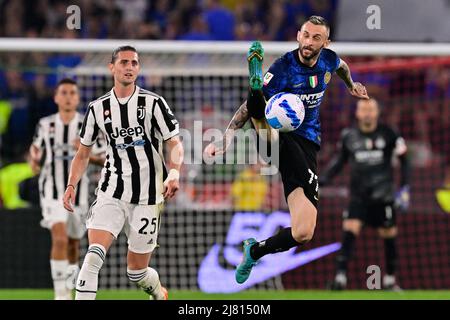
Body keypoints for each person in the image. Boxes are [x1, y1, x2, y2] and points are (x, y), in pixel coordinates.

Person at [204, 15, 369, 284]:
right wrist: (226, 137)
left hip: (306, 148)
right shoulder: (283, 68)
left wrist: (351, 86)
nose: (309, 41)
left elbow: (342, 67)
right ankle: (256, 88)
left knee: (304, 231)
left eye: (316, 38)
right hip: (276, 137)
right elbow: (244, 110)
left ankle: (254, 250)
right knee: (261, 116)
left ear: (326, 42)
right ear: (298, 36)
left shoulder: (328, 59)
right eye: (305, 35)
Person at [63, 46, 184, 300]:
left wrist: (174, 172)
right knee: (94, 254)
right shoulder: (97, 109)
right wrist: (71, 185)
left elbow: (174, 142)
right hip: (112, 191)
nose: (129, 67)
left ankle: (158, 293)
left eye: (134, 63)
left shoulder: (153, 103)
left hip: (148, 197)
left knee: (136, 272)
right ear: (112, 67)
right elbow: (83, 153)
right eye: (124, 62)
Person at [320, 98, 410, 291]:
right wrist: (321, 181)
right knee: (349, 231)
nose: (367, 113)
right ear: (357, 113)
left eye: (371, 109)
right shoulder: (348, 136)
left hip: (383, 195)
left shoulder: (389, 133)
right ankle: (340, 278)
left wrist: (405, 188)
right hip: (359, 196)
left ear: (377, 113)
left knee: (389, 236)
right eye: (364, 109)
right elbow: (338, 162)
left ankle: (389, 280)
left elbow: (405, 161)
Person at [29, 78, 106, 300]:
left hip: (79, 194)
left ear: (78, 97)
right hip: (52, 190)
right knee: (60, 238)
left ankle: (70, 288)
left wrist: (85, 154)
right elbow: (34, 152)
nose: (68, 97)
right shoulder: (45, 125)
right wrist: (33, 161)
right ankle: (60, 295)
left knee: (73, 244)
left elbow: (105, 158)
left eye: (72, 93)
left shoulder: (87, 124)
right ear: (56, 97)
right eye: (63, 92)